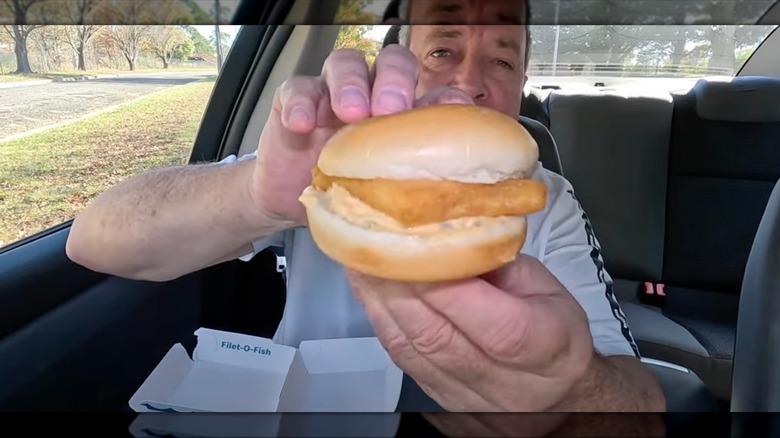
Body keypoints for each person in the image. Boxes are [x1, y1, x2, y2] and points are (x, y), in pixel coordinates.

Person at [65, 0, 665, 434]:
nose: (469, 82)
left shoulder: (548, 198)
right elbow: (93, 242)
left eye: (503, 61)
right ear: (396, 66)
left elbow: (639, 408)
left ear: (523, 84)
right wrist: (258, 197)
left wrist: (574, 392)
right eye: (442, 48)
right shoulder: (332, 165)